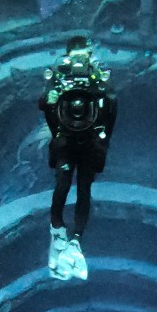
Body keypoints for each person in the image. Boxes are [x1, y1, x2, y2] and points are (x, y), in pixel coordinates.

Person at [39, 36, 117, 280]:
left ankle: (76, 239)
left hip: (89, 143)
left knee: (84, 189)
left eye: (84, 55)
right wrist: (50, 100)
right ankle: (57, 229)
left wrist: (103, 140)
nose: (80, 61)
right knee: (62, 185)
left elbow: (111, 108)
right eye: (76, 56)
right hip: (66, 140)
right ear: (68, 55)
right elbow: (44, 104)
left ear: (90, 54)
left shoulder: (98, 78)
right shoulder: (58, 76)